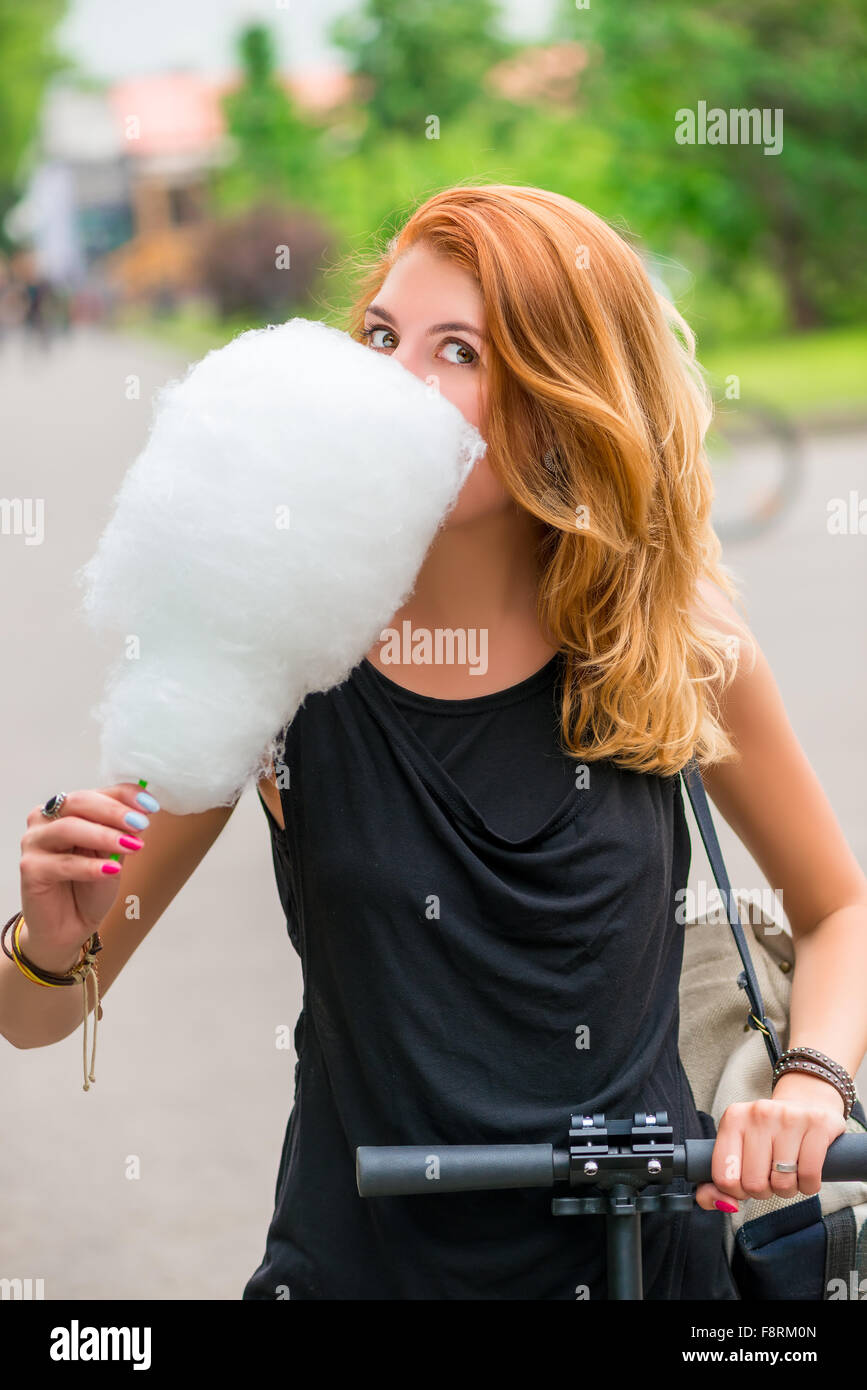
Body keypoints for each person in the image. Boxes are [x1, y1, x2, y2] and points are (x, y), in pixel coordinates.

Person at [5, 184, 867, 1300]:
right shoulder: (274, 655)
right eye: (379, 338)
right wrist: (51, 935)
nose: (394, 382)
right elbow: (38, 1015)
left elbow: (838, 907)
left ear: (563, 400)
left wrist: (812, 1083)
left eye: (457, 350)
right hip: (360, 1271)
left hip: (643, 1271)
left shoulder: (672, 644)